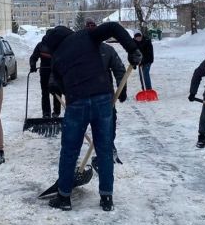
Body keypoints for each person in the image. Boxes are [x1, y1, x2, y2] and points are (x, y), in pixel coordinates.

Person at [43, 22, 141, 212]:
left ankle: (64, 197)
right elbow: (113, 27)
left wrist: (56, 86)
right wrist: (132, 48)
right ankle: (106, 198)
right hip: (102, 99)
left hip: (76, 103)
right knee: (104, 149)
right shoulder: (86, 36)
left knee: (69, 151)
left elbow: (58, 86)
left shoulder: (57, 57)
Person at [85, 18, 127, 164]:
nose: (91, 28)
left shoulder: (107, 50)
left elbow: (119, 69)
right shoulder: (78, 50)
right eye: (88, 26)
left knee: (110, 123)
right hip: (83, 95)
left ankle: (109, 147)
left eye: (93, 26)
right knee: (83, 125)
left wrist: (122, 89)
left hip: (105, 94)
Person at [29, 32, 61, 118]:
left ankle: (56, 113)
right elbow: (33, 57)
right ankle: (46, 113)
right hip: (45, 72)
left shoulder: (58, 44)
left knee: (57, 91)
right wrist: (33, 66)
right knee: (45, 93)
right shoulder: (41, 45)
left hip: (56, 72)